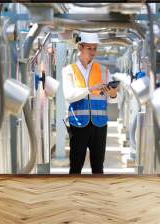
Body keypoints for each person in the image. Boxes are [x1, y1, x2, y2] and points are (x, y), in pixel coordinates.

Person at [62, 32, 118, 174]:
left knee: (98, 168)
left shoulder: (104, 71)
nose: (93, 52)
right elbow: (69, 95)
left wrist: (113, 94)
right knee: (75, 167)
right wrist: (90, 89)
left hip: (100, 125)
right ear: (80, 47)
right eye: (89, 48)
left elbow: (114, 99)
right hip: (78, 125)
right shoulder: (69, 71)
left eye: (95, 48)